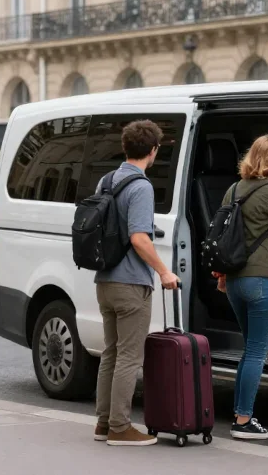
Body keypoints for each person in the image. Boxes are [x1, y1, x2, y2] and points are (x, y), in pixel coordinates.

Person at [93, 120, 180, 447]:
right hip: (131, 283)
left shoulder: (106, 181)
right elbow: (139, 238)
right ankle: (120, 427)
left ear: (126, 146)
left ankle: (103, 423)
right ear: (153, 150)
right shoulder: (141, 187)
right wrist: (163, 272)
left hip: (105, 281)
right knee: (129, 356)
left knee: (111, 353)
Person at [214, 134, 268, 440]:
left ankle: (240, 413)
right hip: (262, 280)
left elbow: (223, 235)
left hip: (234, 281)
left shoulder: (233, 189)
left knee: (250, 350)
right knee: (257, 352)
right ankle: (244, 421)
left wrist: (221, 276)